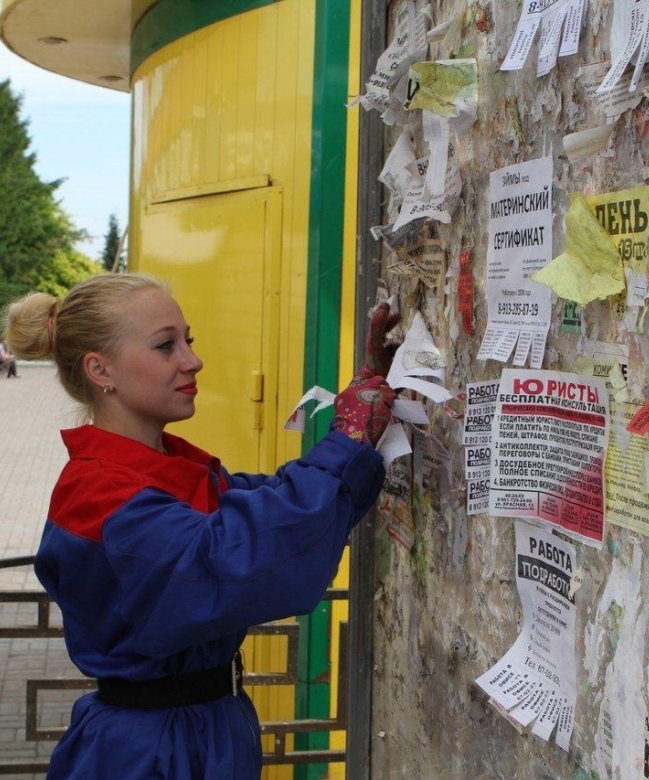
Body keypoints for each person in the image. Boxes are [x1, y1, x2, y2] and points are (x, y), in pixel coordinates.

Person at [2, 273, 399, 779]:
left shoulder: (167, 468)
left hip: (199, 732)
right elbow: (233, 556)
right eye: (166, 345)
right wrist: (345, 440)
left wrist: (360, 425)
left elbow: (273, 501)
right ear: (101, 370)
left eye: (188, 340)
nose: (192, 360)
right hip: (153, 752)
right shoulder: (98, 495)